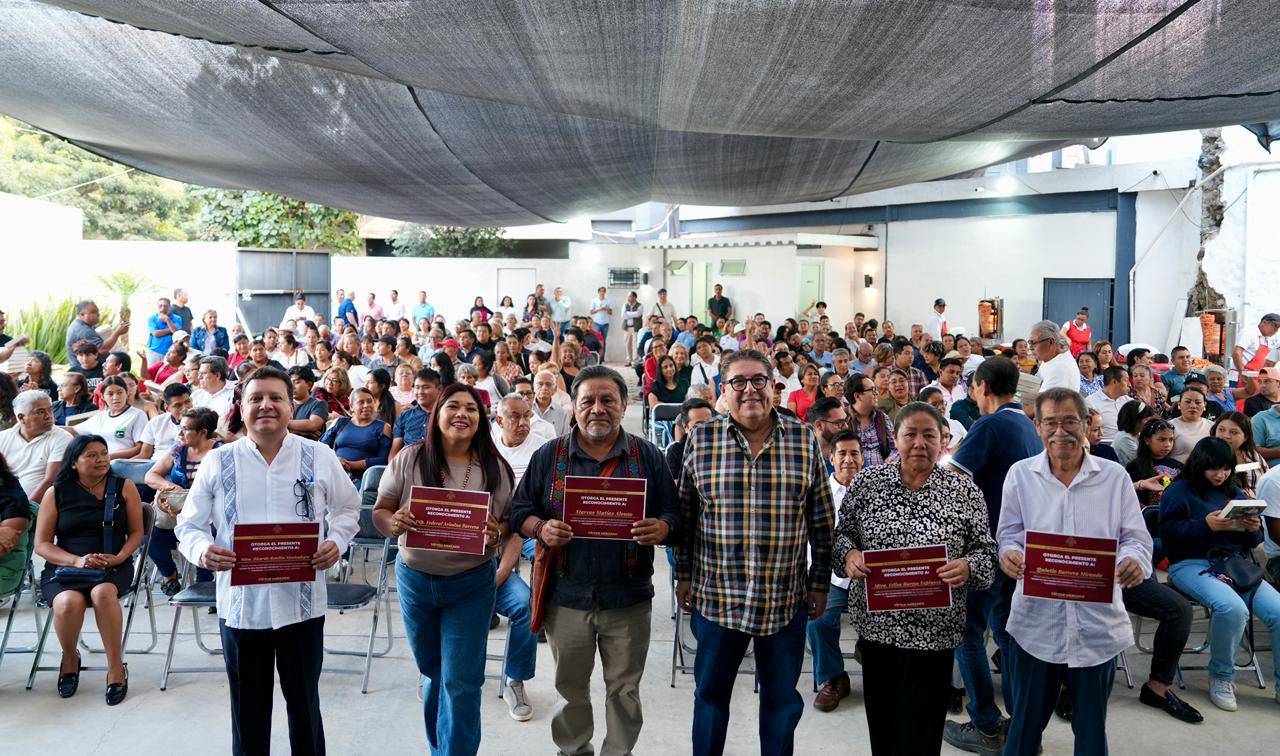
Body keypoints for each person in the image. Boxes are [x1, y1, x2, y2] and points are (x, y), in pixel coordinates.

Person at [177, 367, 357, 753]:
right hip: (242, 608)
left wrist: (337, 541)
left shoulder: (319, 456)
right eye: (255, 398)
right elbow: (188, 525)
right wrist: (203, 550)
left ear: (291, 406)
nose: (266, 406)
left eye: (276, 398)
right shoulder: (219, 460)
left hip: (302, 605)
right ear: (241, 408)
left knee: (305, 707)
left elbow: (347, 508)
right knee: (248, 711)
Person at [512, 366, 679, 756]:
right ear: (574, 406)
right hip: (567, 598)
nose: (598, 409)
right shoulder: (549, 456)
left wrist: (662, 527)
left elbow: (675, 513)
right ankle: (573, 750)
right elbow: (519, 512)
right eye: (588, 400)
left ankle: (618, 752)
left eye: (608, 400)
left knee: (624, 690)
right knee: (569, 690)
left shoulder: (647, 456)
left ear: (623, 405)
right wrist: (542, 528)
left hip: (628, 598)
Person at [676, 349, 833, 756]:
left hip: (784, 599)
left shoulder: (802, 439)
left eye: (758, 380)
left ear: (773, 385)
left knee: (781, 703)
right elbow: (687, 515)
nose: (750, 390)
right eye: (738, 382)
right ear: (723, 390)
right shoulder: (702, 438)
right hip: (718, 598)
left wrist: (819, 583)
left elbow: (821, 519)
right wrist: (683, 575)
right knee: (710, 698)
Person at [996, 387, 1152, 755]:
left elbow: (1136, 538)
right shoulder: (1021, 475)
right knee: (1023, 729)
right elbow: (1009, 534)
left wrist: (1134, 560)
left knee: (1091, 730)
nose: (1060, 431)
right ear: (1037, 426)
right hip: (1036, 625)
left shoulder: (1114, 477)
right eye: (1050, 422)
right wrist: (1010, 554)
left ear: (1085, 423)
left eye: (1069, 421)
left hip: (1096, 627)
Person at [834, 402, 995, 755]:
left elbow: (986, 554)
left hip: (935, 634)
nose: (919, 443)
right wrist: (849, 555)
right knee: (884, 727)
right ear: (896, 439)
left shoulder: (964, 491)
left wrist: (967, 566)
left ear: (943, 441)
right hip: (878, 631)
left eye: (929, 435)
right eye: (910, 434)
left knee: (923, 730)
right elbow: (842, 536)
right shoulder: (868, 483)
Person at [371, 382, 513, 748]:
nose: (462, 414)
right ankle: (440, 748)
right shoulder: (410, 458)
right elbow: (381, 511)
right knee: (433, 671)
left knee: (461, 681)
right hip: (416, 583)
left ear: (482, 419)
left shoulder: (495, 468)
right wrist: (393, 523)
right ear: (437, 415)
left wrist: (497, 533)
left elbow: (508, 524)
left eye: (471, 408)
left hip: (470, 585)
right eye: (453, 406)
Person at [940, 357, 1043, 754]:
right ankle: (1020, 724)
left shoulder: (991, 424)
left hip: (988, 545)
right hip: (1017, 545)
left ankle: (985, 724)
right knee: (1005, 631)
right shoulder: (1026, 425)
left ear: (981, 386)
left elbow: (951, 478)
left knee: (968, 634)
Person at [1161, 437, 1280, 711]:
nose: (1220, 474)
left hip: (1234, 564)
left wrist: (1253, 529)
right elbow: (1167, 536)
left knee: (1278, 611)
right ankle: (1222, 676)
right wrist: (1205, 525)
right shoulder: (1179, 491)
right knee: (1232, 609)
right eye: (1214, 468)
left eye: (1226, 468)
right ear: (1199, 465)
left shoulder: (1234, 491)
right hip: (1189, 563)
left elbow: (1253, 542)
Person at [34, 434, 144, 704]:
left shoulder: (124, 487)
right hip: (66, 567)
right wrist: (76, 561)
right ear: (74, 462)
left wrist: (119, 557)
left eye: (104, 453)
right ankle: (70, 658)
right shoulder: (56, 492)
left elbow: (136, 532)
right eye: (92, 455)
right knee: (67, 602)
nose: (101, 460)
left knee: (102, 593)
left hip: (112, 565)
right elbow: (42, 544)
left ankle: (115, 666)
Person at [806, 431, 861, 713]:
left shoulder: (874, 491)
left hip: (870, 578)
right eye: (843, 454)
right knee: (817, 621)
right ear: (831, 458)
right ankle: (834, 677)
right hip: (833, 577)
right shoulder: (819, 492)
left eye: (855, 454)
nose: (849, 460)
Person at [144, 407, 220, 596]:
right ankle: (169, 575)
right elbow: (150, 476)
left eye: (185, 429)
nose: (179, 433)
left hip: (209, 515)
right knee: (151, 534)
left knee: (206, 535)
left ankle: (206, 586)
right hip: (174, 514)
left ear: (203, 432)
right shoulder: (178, 451)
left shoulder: (220, 452)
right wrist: (171, 488)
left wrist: (191, 502)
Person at [0, 391, 72, 504]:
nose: (48, 416)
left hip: (38, 506)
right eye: (41, 412)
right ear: (21, 417)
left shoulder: (62, 438)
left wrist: (26, 509)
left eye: (50, 410)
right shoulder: (3, 437)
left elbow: (51, 480)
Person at [320, 388, 391, 481]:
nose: (366, 405)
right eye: (361, 402)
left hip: (364, 477)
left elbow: (383, 459)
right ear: (351, 406)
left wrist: (351, 465)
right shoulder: (341, 422)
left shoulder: (383, 427)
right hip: (333, 471)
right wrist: (336, 460)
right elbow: (321, 447)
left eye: (369, 401)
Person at [78, 377, 146, 461]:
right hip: (100, 461)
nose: (116, 397)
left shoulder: (137, 415)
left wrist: (109, 457)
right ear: (102, 396)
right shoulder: (101, 416)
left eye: (120, 393)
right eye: (110, 394)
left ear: (127, 393)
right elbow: (74, 430)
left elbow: (140, 448)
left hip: (121, 463)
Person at [1126, 418, 1181, 509]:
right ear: (1147, 440)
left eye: (1171, 440)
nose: (1167, 444)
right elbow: (1128, 496)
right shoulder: (1133, 467)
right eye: (1162, 439)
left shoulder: (1179, 466)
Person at [390, 368, 441, 461]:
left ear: (439, 389)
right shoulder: (405, 416)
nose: (420, 392)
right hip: (407, 464)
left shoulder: (446, 416)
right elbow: (393, 454)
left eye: (426, 387)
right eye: (417, 387)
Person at [845, 373, 895, 467]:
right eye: (872, 390)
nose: (877, 393)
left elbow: (894, 447)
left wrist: (892, 457)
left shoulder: (882, 418)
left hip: (882, 471)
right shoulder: (843, 419)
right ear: (857, 396)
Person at [65, 300, 128, 371]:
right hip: (86, 372)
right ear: (82, 314)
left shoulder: (80, 325)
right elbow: (102, 349)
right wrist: (117, 333)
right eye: (93, 312)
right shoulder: (83, 330)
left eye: (97, 312)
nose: (98, 314)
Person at [664, 398, 715, 480]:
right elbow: (674, 484)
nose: (705, 427)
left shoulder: (724, 446)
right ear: (686, 427)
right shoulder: (676, 452)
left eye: (710, 422)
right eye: (698, 424)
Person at [1084, 366, 1133, 443]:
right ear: (1114, 382)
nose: (1129, 384)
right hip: (1104, 445)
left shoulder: (1130, 402)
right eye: (1126, 380)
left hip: (1129, 444)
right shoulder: (1091, 402)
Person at [1169, 386, 1213, 463]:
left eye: (1198, 402)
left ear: (1204, 405)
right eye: (1187, 402)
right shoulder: (1169, 426)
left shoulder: (1213, 426)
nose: (1193, 406)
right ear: (1179, 404)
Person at [1028, 320, 1076, 390]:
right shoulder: (1050, 358)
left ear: (1050, 342)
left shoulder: (1059, 369)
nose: (1030, 348)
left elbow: (1042, 397)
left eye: (1033, 343)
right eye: (1029, 342)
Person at [1231, 312, 1280, 379]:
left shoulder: (1266, 339)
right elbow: (1236, 353)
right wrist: (1242, 372)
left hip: (1255, 378)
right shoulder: (1249, 332)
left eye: (1278, 328)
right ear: (1264, 322)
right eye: (1274, 326)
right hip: (1239, 377)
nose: (1276, 330)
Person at [285, 366, 328, 442]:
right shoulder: (284, 404)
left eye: (296, 382)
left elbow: (313, 425)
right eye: (289, 383)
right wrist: (303, 430)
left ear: (308, 385)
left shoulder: (319, 404)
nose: (292, 387)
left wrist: (283, 424)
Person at [191, 356, 236, 422]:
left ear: (217, 375)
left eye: (203, 373)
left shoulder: (234, 392)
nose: (199, 377)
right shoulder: (196, 395)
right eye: (199, 373)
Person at [1113, 400, 1157, 467]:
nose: (1149, 423)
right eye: (1146, 420)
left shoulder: (1138, 434)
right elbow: (1140, 459)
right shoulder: (1124, 437)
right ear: (1135, 420)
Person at [146, 297, 182, 365]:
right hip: (154, 351)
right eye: (160, 306)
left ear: (170, 307)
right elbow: (155, 333)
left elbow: (176, 332)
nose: (163, 308)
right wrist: (170, 329)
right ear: (157, 307)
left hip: (171, 352)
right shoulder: (152, 318)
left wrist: (167, 320)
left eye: (165, 306)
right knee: (152, 371)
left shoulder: (177, 318)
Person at [531, 370, 569, 436]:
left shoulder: (562, 413)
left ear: (555, 389)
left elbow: (564, 439)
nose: (544, 388)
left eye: (548, 384)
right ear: (534, 387)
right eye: (540, 384)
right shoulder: (526, 409)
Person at [621, 292, 644, 365]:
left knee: (635, 344)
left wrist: (627, 313)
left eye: (630, 296)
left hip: (636, 327)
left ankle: (635, 361)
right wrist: (632, 314)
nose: (629, 298)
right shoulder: (625, 305)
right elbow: (623, 315)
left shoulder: (640, 305)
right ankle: (629, 360)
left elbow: (638, 314)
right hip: (627, 328)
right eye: (628, 297)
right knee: (627, 344)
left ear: (635, 297)